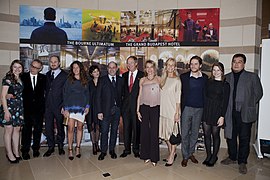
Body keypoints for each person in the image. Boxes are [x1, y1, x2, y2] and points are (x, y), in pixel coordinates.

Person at [221, 53, 263, 174]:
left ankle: (242, 161)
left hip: (244, 113)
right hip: (230, 112)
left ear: (244, 64)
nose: (236, 64)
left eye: (239, 62)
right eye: (234, 61)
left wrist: (248, 103)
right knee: (230, 136)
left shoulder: (252, 77)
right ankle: (232, 157)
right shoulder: (227, 77)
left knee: (244, 138)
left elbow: (259, 93)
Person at [180, 55, 208, 167]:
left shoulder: (205, 78)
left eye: (196, 63)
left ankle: (191, 153)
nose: (193, 66)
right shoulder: (184, 77)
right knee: (185, 133)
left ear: (200, 65)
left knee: (195, 133)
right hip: (187, 108)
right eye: (191, 64)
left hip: (199, 109)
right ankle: (185, 156)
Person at [202, 62, 230, 167]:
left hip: (217, 112)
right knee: (206, 134)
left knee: (215, 135)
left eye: (218, 70)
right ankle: (208, 155)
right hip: (207, 111)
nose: (216, 72)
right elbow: (204, 96)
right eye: (214, 70)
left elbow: (226, 101)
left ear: (222, 71)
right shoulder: (208, 82)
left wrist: (222, 116)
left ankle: (214, 156)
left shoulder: (225, 85)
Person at [62, 61, 89, 160]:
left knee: (80, 128)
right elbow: (65, 94)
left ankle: (78, 148)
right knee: (70, 129)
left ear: (80, 68)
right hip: (70, 108)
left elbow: (87, 94)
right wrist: (65, 109)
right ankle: (70, 149)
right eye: (74, 68)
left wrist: (87, 106)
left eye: (77, 67)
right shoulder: (69, 80)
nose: (75, 69)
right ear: (72, 69)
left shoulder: (85, 80)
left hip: (81, 108)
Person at [96, 61, 123, 160]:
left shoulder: (121, 80)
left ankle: (112, 150)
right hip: (105, 111)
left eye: (113, 67)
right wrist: (99, 111)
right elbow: (98, 97)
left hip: (117, 110)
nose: (112, 69)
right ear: (107, 69)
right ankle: (103, 151)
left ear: (116, 68)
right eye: (110, 67)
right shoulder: (102, 80)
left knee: (114, 131)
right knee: (104, 131)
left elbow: (122, 96)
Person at [21, 59, 46, 160]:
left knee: (37, 130)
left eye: (36, 67)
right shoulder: (23, 77)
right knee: (26, 131)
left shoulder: (43, 78)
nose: (33, 69)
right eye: (32, 66)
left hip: (39, 110)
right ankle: (25, 150)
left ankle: (36, 149)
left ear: (40, 69)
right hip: (26, 110)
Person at [137, 60, 161, 166]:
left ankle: (154, 157)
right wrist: (137, 110)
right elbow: (139, 96)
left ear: (154, 68)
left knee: (154, 132)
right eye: (147, 67)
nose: (149, 69)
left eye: (151, 67)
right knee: (145, 131)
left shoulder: (159, 79)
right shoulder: (142, 80)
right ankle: (145, 155)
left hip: (156, 107)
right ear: (145, 69)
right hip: (144, 107)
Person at [0, 60, 24, 163]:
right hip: (9, 108)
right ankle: (9, 153)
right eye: (15, 67)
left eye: (19, 67)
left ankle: (16, 152)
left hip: (18, 108)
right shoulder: (8, 79)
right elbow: (2, 96)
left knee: (17, 130)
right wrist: (6, 111)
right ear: (11, 68)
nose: (17, 69)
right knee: (8, 130)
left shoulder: (20, 79)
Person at [120, 56, 144, 158]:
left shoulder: (142, 75)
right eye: (128, 63)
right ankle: (126, 149)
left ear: (136, 64)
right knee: (126, 128)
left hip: (137, 107)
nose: (129, 65)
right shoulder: (124, 76)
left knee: (136, 128)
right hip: (125, 108)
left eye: (131, 63)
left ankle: (136, 149)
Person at [43, 55, 67, 157]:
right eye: (51, 62)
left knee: (60, 127)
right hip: (48, 107)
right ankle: (51, 147)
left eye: (55, 62)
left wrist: (64, 106)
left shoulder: (65, 75)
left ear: (59, 63)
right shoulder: (47, 75)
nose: (53, 63)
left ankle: (61, 146)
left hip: (59, 106)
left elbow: (67, 92)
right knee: (48, 128)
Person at [159, 58, 181, 166]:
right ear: (166, 66)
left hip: (172, 112)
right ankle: (172, 152)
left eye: (173, 65)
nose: (170, 67)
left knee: (173, 136)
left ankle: (172, 155)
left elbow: (178, 99)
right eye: (169, 65)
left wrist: (177, 113)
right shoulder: (163, 79)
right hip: (162, 111)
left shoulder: (177, 80)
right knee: (166, 136)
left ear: (175, 67)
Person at [86, 65, 101, 155]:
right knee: (91, 126)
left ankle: (97, 144)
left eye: (97, 71)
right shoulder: (88, 83)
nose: (96, 73)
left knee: (98, 126)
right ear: (91, 74)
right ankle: (94, 145)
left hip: (99, 108)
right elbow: (86, 96)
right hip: (90, 108)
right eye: (94, 72)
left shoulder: (102, 82)